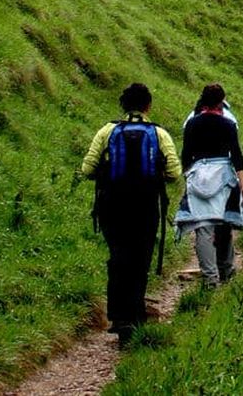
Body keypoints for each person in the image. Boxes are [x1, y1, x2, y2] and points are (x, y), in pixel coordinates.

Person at [81, 82, 180, 345]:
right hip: (146, 204)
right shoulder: (159, 134)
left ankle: (118, 315)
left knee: (118, 256)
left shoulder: (107, 131)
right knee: (140, 259)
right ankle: (135, 316)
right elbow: (174, 172)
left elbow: (88, 169)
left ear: (123, 105)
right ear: (148, 106)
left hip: (112, 204)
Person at [176, 83, 243, 287]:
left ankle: (210, 279)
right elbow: (237, 157)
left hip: (198, 175)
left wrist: (189, 177)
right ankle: (226, 270)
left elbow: (185, 156)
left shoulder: (192, 124)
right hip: (224, 176)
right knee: (224, 223)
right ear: (221, 101)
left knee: (203, 228)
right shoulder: (228, 125)